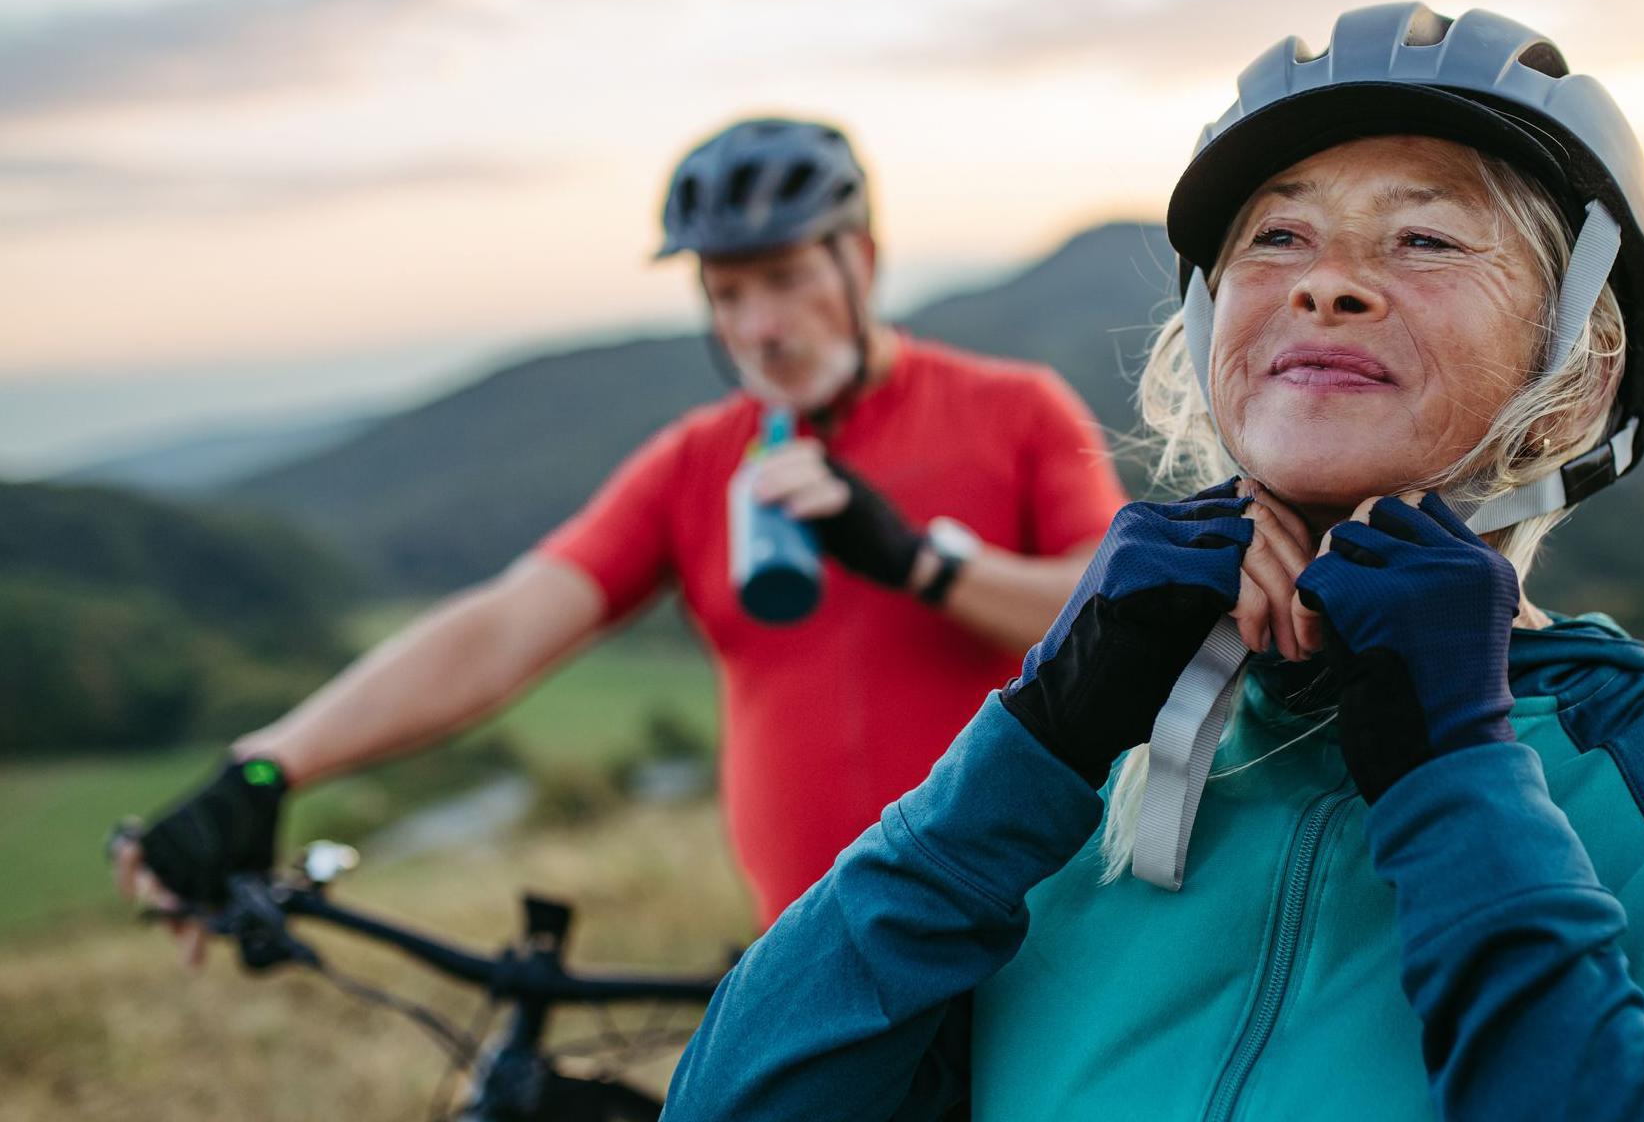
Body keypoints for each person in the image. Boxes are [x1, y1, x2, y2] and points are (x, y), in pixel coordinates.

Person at [660, 4, 1644, 1120]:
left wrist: (1455, 775)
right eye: (1278, 235)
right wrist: (1038, 734)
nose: (1325, 282)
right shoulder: (1076, 782)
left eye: (1425, 237)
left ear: (1577, 372)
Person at [115, 117, 1129, 939]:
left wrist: (918, 561)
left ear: (859, 261)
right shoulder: (697, 463)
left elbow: (1114, 616)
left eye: (784, 278)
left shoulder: (1014, 408)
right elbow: (503, 628)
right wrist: (267, 766)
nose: (758, 327)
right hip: (813, 961)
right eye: (726, 293)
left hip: (1027, 930)